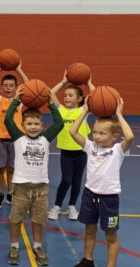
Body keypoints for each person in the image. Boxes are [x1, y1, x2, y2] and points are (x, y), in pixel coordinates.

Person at [71, 98, 134, 267]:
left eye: (101, 133)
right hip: (89, 194)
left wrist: (119, 115)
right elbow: (73, 131)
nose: (96, 136)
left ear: (114, 136)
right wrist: (85, 111)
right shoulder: (91, 147)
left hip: (109, 199)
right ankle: (87, 260)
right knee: (90, 229)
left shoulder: (118, 150)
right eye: (95, 132)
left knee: (110, 236)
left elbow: (130, 136)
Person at [6, 88, 63, 266]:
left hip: (41, 188)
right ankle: (14, 245)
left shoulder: (46, 138)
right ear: (23, 125)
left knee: (38, 220)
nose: (32, 127)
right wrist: (16, 100)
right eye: (29, 124)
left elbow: (59, 122)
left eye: (36, 124)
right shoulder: (18, 138)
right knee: (16, 219)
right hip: (21, 188)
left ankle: (37, 246)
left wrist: (50, 103)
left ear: (42, 125)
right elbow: (8, 119)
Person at [48, 73, 95, 220]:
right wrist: (63, 81)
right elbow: (50, 92)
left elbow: (95, 95)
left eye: (70, 95)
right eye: (66, 95)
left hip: (81, 152)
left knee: (77, 180)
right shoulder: (60, 110)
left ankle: (72, 206)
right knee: (66, 179)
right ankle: (56, 206)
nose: (66, 97)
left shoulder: (83, 111)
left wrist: (88, 82)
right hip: (66, 153)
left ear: (80, 99)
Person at [0, 65, 29, 208]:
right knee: (0, 169)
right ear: (2, 88)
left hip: (16, 140)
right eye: (6, 86)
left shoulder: (18, 102)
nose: (8, 88)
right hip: (0, 140)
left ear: (16, 87)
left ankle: (11, 193)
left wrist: (19, 69)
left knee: (12, 169)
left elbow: (29, 86)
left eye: (11, 86)